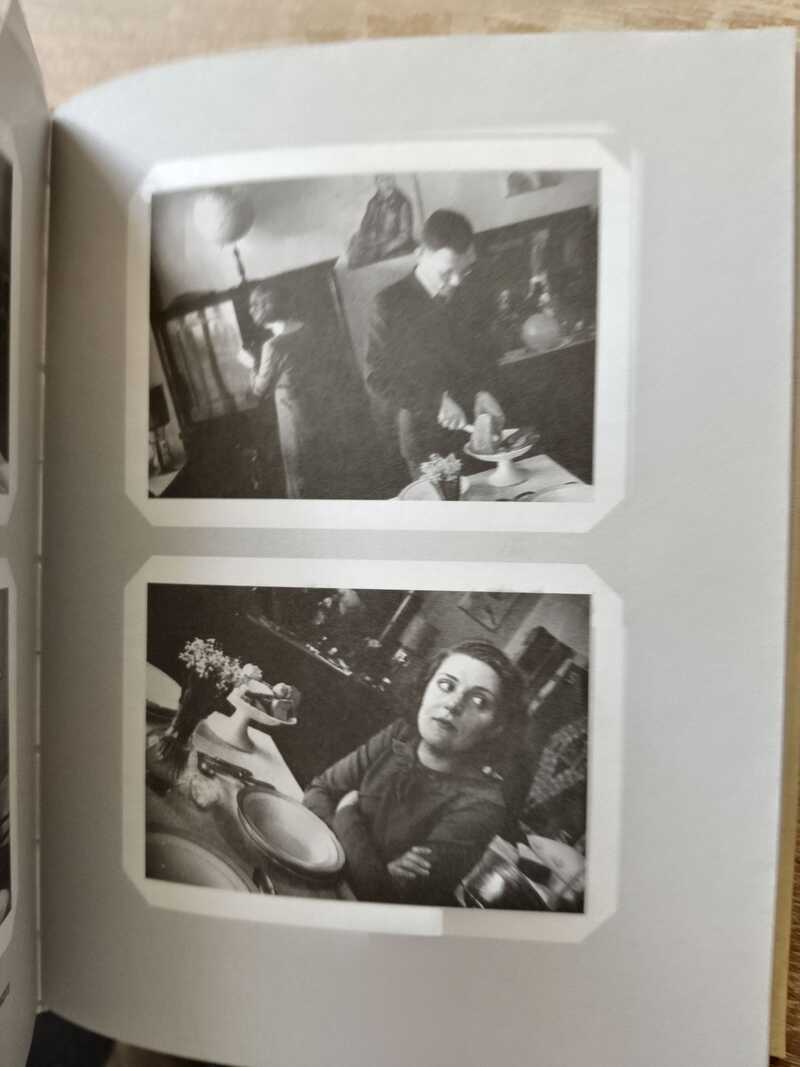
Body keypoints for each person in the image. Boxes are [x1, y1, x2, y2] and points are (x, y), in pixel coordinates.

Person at [303, 640, 524, 906]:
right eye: (446, 685)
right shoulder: (400, 735)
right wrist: (372, 868)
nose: (453, 704)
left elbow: (383, 896)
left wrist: (346, 813)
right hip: (314, 872)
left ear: (497, 727)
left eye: (479, 701)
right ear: (426, 688)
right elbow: (318, 791)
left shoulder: (483, 807)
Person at [364, 209, 506, 483]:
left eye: (464, 269)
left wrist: (484, 390)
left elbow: (486, 354)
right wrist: (435, 402)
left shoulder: (470, 291)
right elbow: (376, 377)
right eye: (447, 271)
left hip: (480, 431)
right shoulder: (388, 303)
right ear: (420, 255)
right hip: (427, 442)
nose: (456, 281)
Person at [236, 283, 319, 499]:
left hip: (293, 414)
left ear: (267, 307)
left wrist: (250, 365)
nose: (251, 311)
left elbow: (259, 391)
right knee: (317, 469)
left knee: (298, 472)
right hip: (316, 409)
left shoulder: (273, 346)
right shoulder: (307, 329)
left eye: (255, 305)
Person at [346, 174, 416, 269]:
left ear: (393, 180)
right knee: (353, 254)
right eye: (382, 180)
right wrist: (358, 240)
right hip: (376, 244)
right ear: (377, 183)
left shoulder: (402, 203)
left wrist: (383, 249)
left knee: (367, 263)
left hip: (395, 247)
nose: (387, 182)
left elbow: (404, 235)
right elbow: (364, 227)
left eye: (389, 178)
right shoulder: (373, 202)